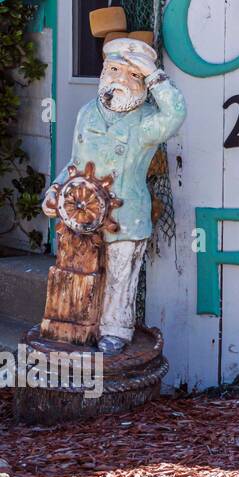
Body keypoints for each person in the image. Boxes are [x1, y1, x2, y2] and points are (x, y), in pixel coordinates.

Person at [41, 36, 186, 355]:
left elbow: (175, 113)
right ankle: (79, 325)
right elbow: (75, 162)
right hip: (82, 214)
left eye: (132, 74)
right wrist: (56, 189)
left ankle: (115, 331)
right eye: (113, 69)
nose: (120, 79)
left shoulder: (148, 121)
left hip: (126, 216)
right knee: (82, 274)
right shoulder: (87, 113)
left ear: (145, 82)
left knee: (121, 276)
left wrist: (156, 75)